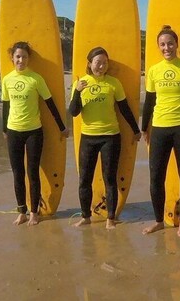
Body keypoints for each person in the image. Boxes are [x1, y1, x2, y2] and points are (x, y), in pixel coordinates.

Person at [68, 46, 141, 230]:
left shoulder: (113, 83)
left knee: (109, 178)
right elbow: (74, 112)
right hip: (88, 137)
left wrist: (135, 129)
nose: (101, 66)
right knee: (85, 179)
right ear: (90, 63)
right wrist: (77, 91)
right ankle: (85, 216)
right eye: (98, 62)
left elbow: (124, 108)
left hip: (110, 137)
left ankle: (110, 218)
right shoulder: (81, 83)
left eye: (104, 62)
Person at [141, 25, 180, 237]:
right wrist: (144, 128)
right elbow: (149, 102)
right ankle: (158, 220)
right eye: (163, 44)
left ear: (176, 44)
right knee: (156, 176)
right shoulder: (154, 70)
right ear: (158, 47)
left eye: (170, 43)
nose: (167, 47)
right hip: (159, 128)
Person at [1, 41, 69, 226]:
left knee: (32, 172)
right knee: (17, 173)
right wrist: (4, 129)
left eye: (24, 56)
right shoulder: (7, 79)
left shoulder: (36, 79)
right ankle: (21, 211)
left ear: (28, 59)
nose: (21, 60)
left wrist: (62, 127)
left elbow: (50, 103)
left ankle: (34, 212)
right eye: (17, 56)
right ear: (12, 58)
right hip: (14, 131)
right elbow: (5, 106)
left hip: (34, 132)